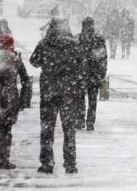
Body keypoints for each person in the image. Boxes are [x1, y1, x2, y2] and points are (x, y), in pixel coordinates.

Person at [30, 18, 82, 174]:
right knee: (69, 129)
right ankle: (70, 163)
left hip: (49, 91)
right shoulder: (74, 45)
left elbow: (34, 61)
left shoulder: (44, 43)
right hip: (68, 92)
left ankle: (47, 162)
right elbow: (81, 64)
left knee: (47, 128)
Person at [0, 34, 29, 169]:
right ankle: (4, 160)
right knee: (6, 130)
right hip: (10, 97)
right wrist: (24, 100)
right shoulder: (16, 59)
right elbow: (25, 80)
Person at [76, 17, 107, 131]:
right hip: (93, 74)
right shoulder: (98, 38)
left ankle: (80, 120)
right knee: (92, 100)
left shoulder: (78, 38)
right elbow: (103, 57)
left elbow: (74, 57)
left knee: (81, 98)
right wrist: (102, 73)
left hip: (82, 73)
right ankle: (89, 122)